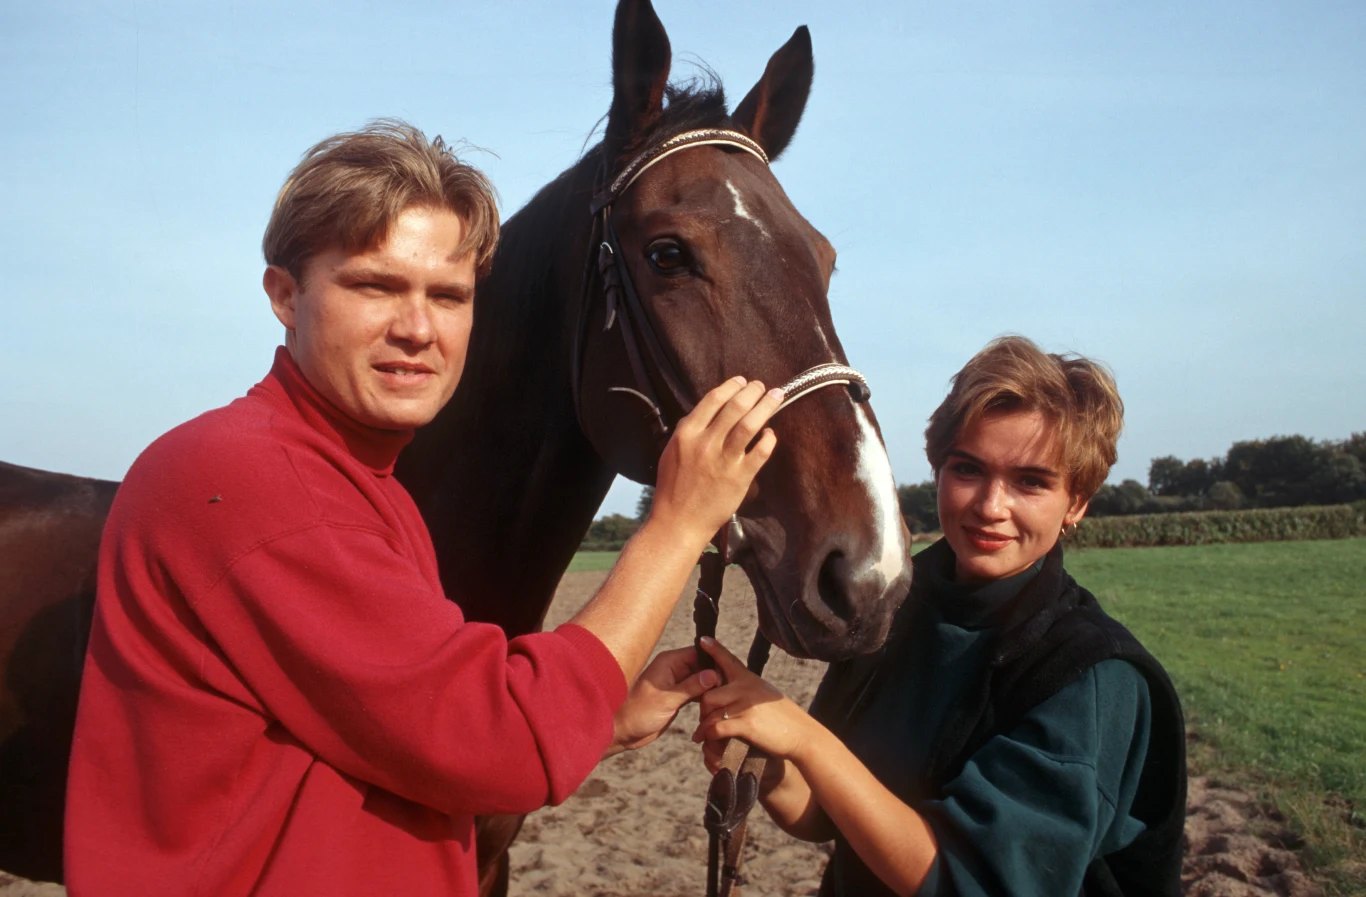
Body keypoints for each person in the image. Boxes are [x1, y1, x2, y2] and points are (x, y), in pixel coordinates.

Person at [64, 120, 778, 896]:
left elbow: (402, 738)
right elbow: (499, 739)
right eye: (374, 286)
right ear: (284, 295)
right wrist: (677, 523)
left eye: (449, 294)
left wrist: (605, 721)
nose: (417, 328)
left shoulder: (365, 486)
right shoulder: (245, 474)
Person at [694, 336, 1187, 897]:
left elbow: (966, 881)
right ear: (939, 470)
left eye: (1032, 481)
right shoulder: (896, 610)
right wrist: (768, 760)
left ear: (1076, 502)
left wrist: (806, 741)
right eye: (968, 470)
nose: (989, 506)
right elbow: (826, 817)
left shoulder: (1089, 676)